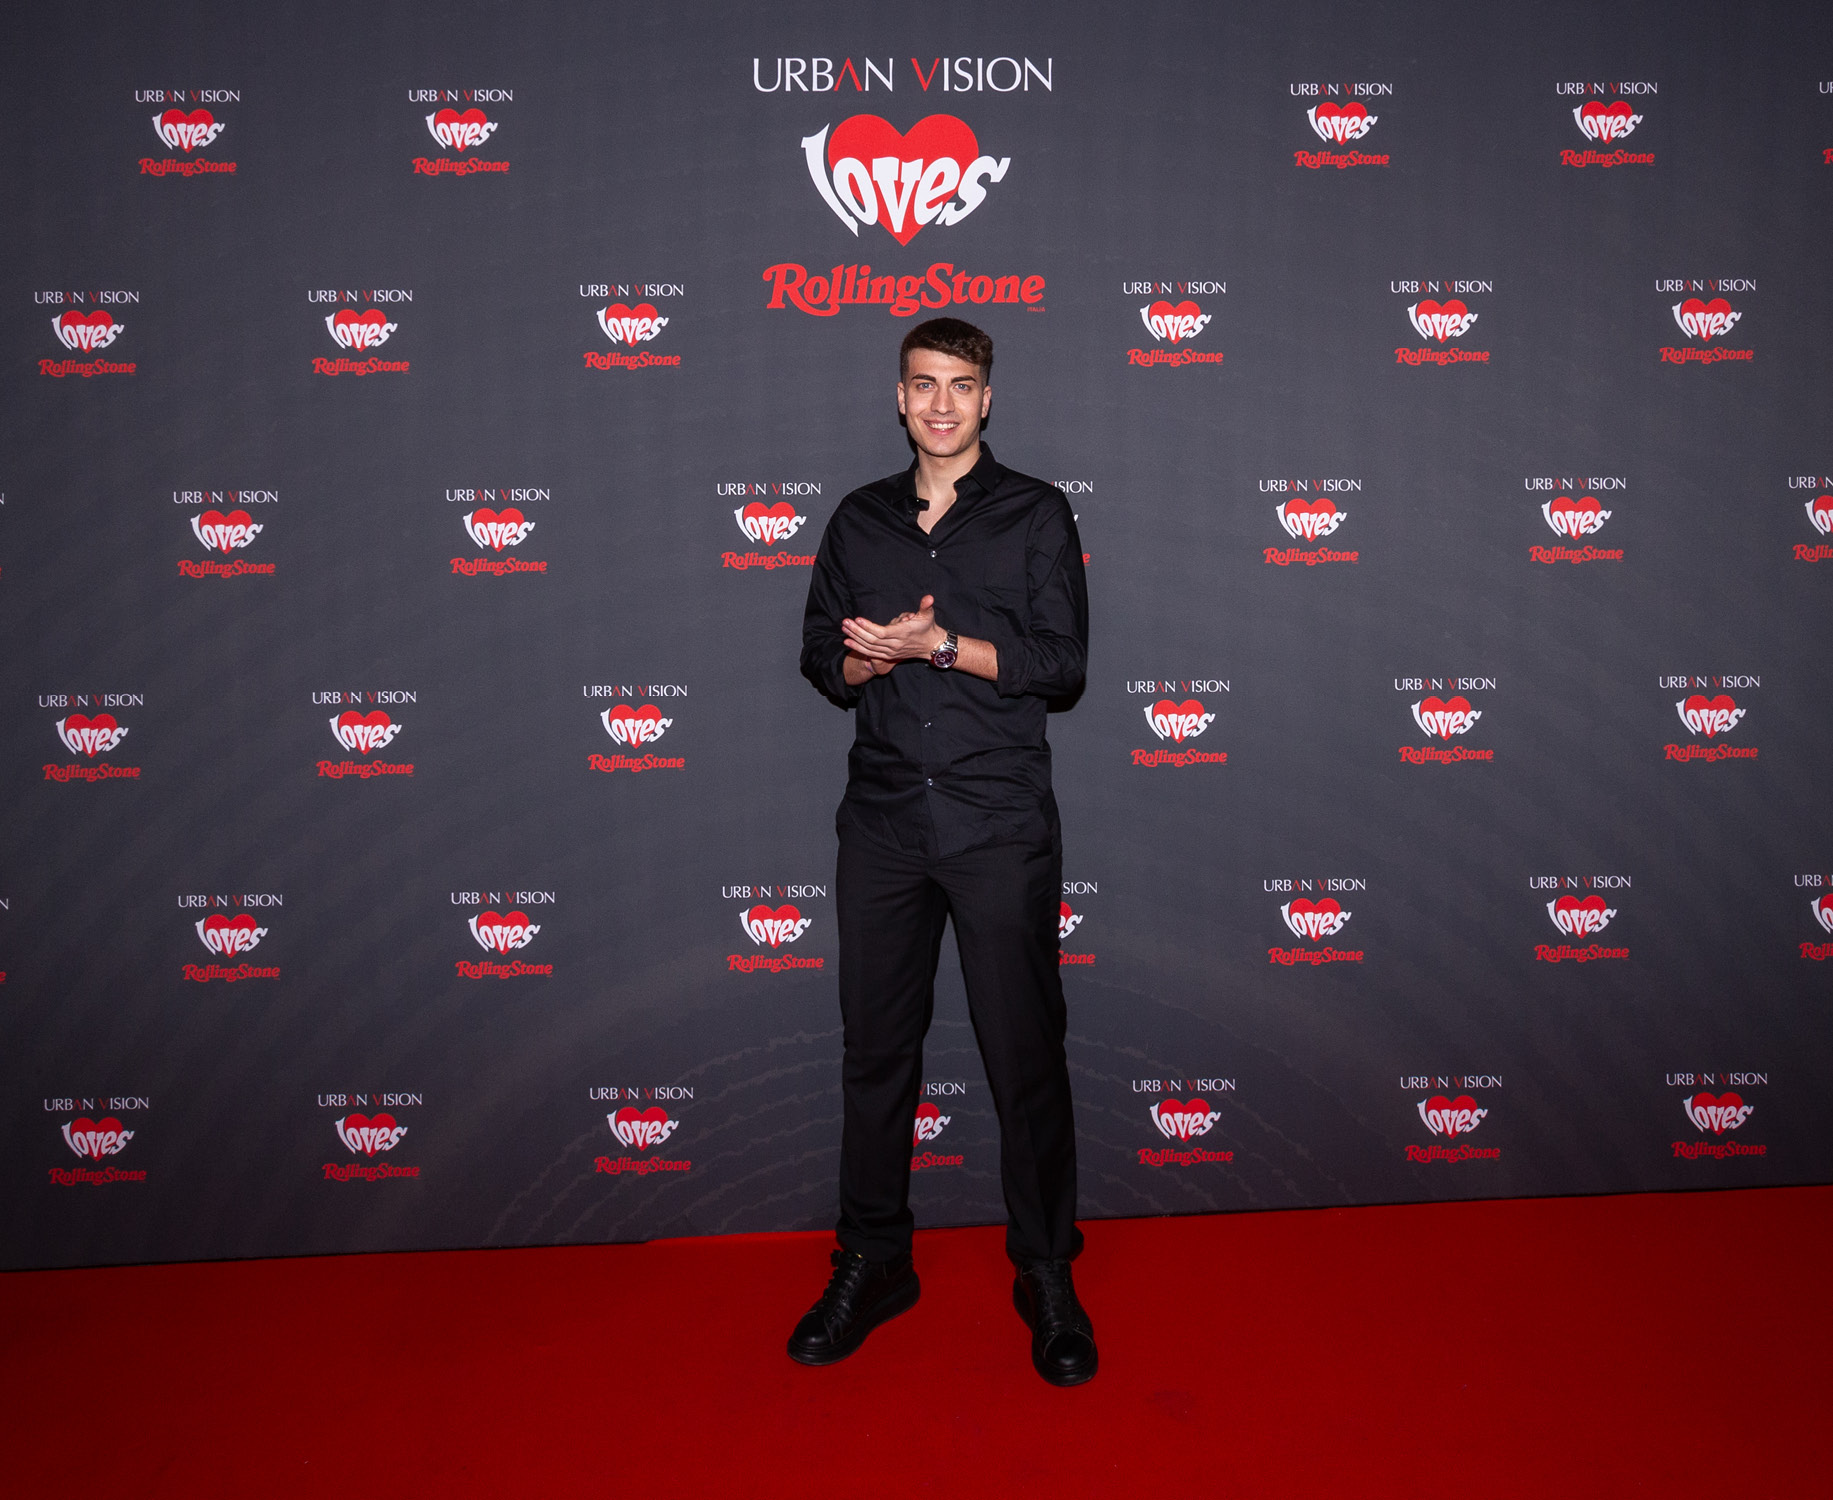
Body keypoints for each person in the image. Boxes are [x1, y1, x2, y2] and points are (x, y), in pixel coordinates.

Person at [791, 317, 1095, 1386]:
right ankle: (873, 1260)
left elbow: (1063, 665)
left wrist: (941, 647)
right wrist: (868, 664)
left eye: (960, 386)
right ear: (899, 396)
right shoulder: (858, 518)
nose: (940, 404)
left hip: (996, 824)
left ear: (987, 398)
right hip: (882, 823)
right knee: (876, 1053)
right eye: (923, 385)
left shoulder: (1035, 513)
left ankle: (1046, 1271)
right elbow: (819, 657)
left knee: (1024, 1055)